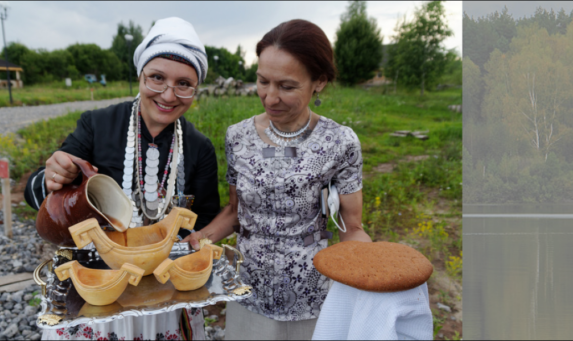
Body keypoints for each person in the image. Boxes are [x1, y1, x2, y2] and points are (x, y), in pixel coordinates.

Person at [23, 17, 219, 340]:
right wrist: (53, 176)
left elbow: (205, 221)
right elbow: (39, 194)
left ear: (195, 89)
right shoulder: (97, 126)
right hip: (96, 289)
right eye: (157, 78)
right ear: (140, 76)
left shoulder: (199, 149)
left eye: (184, 84)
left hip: (163, 294)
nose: (168, 95)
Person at [182, 19, 372, 340]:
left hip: (313, 295)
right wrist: (198, 240)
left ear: (319, 82)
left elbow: (351, 227)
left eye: (286, 86)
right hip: (249, 291)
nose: (270, 98)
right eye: (262, 81)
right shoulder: (238, 136)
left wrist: (375, 273)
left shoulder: (340, 143)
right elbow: (234, 211)